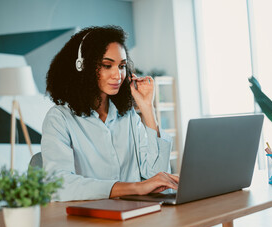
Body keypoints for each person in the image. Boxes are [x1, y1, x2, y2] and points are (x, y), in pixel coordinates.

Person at [41, 25, 179, 201]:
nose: (118, 75)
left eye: (122, 66)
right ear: (83, 67)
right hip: (90, 220)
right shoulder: (59, 118)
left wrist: (147, 108)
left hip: (135, 214)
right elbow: (58, 185)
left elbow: (157, 175)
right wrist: (136, 187)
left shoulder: (127, 116)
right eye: (107, 65)